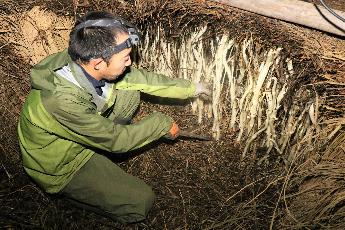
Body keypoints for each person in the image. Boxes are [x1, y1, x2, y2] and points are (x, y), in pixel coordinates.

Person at [17, 11, 211, 224]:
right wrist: (160, 124)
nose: (129, 63)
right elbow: (116, 140)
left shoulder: (83, 57)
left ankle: (104, 155)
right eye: (126, 58)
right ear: (99, 63)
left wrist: (192, 88)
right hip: (63, 163)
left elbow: (139, 79)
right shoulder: (61, 101)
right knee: (140, 202)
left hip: (83, 130)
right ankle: (67, 195)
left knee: (129, 91)